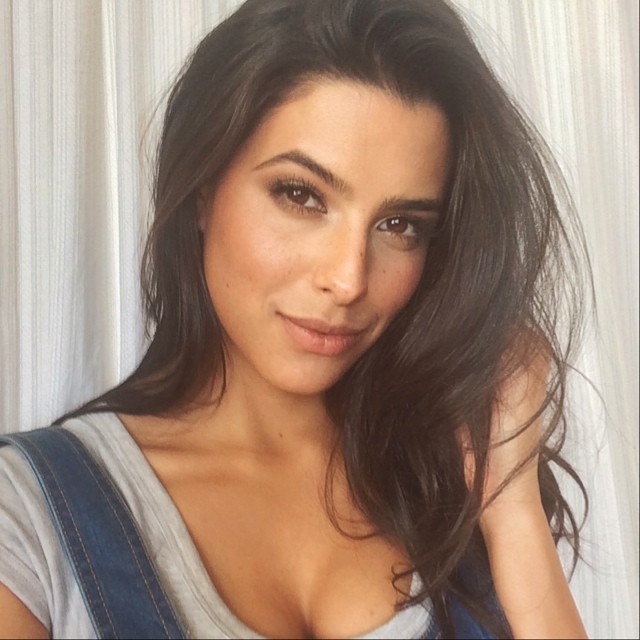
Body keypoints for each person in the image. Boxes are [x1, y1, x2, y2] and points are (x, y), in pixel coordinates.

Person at [0, 0, 590, 638]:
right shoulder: (30, 517)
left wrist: (511, 507)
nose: (348, 279)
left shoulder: (452, 489)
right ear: (202, 190)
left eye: (400, 225)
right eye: (301, 195)